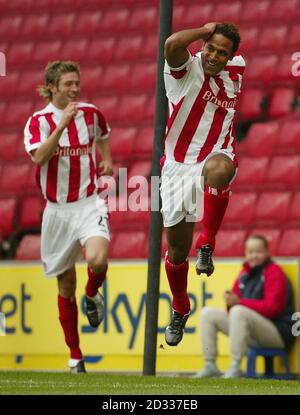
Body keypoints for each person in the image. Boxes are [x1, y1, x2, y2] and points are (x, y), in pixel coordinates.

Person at [24, 61, 114, 373]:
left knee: (98, 260)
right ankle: (75, 356)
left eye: (76, 82)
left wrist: (108, 159)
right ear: (51, 87)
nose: (75, 89)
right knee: (65, 286)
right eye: (67, 84)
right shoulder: (38, 122)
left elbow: (102, 134)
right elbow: (39, 157)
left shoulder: (90, 113)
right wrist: (61, 125)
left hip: (89, 203)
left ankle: (92, 294)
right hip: (57, 211)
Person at [161, 22, 245, 346]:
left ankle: (207, 243)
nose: (214, 56)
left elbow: (237, 57)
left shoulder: (237, 70)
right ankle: (180, 306)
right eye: (210, 48)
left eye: (222, 52)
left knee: (221, 169)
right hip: (176, 168)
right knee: (177, 251)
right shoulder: (183, 70)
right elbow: (170, 45)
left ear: (231, 57)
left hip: (216, 154)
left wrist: (222, 39)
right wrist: (204, 31)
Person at [194, 235, 294, 379]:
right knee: (207, 313)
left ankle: (236, 366)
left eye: (258, 251)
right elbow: (233, 308)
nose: (254, 256)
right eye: (250, 252)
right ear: (245, 254)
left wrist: (238, 303)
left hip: (277, 333)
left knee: (238, 311)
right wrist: (230, 302)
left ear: (267, 252)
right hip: (253, 330)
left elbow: (273, 309)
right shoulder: (244, 274)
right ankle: (210, 364)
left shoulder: (274, 272)